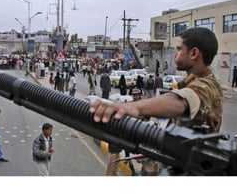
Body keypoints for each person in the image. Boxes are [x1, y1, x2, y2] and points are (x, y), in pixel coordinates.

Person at [90, 27, 223, 136]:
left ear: (193, 53)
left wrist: (134, 107)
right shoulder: (190, 80)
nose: (175, 54)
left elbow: (181, 102)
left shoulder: (208, 85)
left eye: (179, 49)